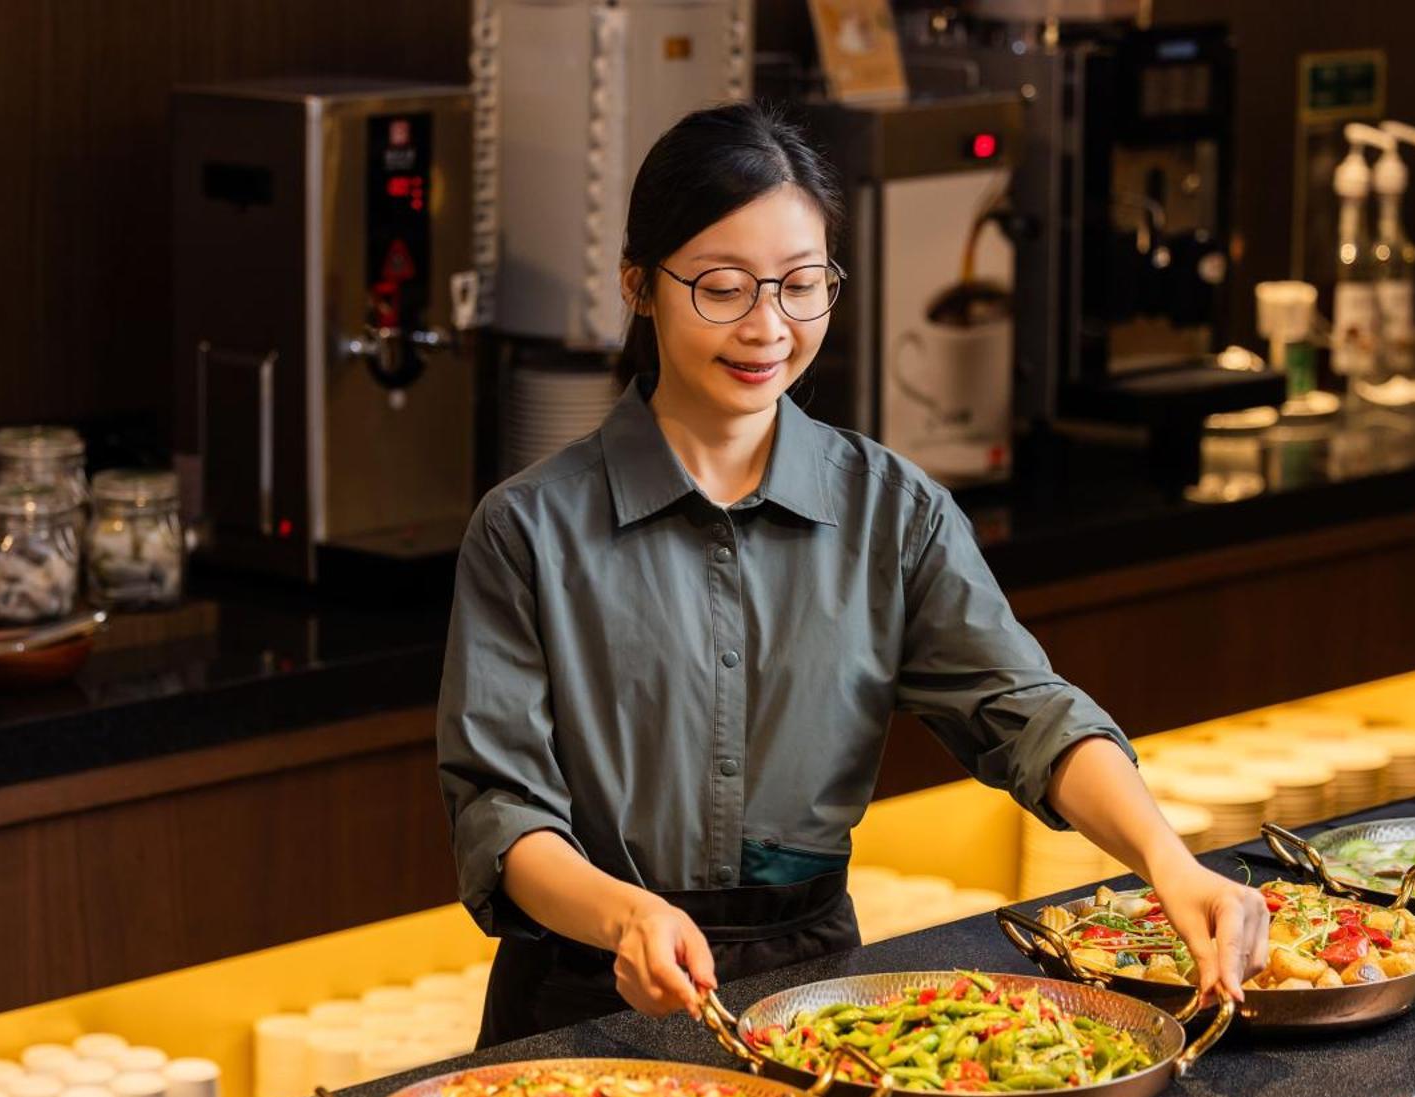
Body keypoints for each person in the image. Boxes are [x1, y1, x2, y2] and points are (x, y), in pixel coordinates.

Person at [439, 102, 1268, 1048]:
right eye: (722, 287)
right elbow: (501, 812)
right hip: (582, 1004)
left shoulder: (893, 510)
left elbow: (1028, 714)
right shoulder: (528, 529)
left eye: (801, 285)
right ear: (640, 284)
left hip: (820, 997)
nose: (767, 327)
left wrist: (1169, 862)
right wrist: (623, 916)